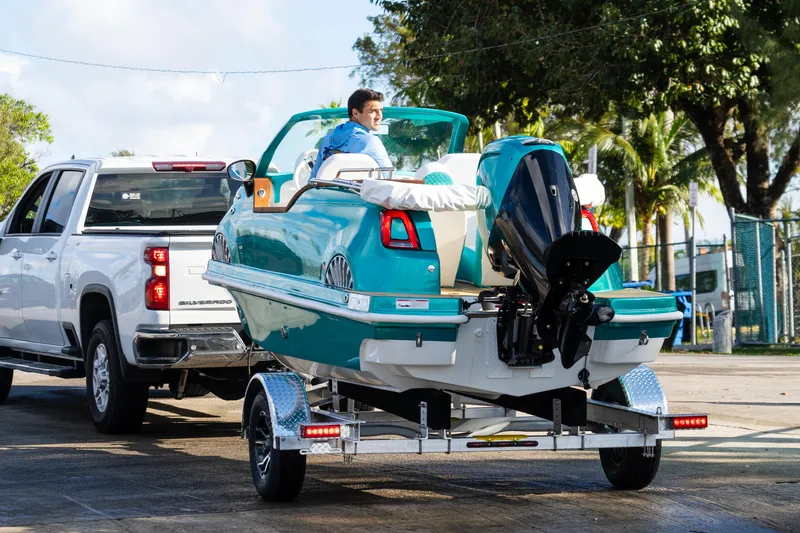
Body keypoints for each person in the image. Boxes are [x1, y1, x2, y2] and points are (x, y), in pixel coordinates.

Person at [309, 88, 393, 180]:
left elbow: (313, 180)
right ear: (355, 113)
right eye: (373, 111)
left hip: (326, 193)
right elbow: (389, 179)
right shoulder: (370, 142)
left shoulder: (328, 139)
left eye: (381, 110)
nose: (379, 116)